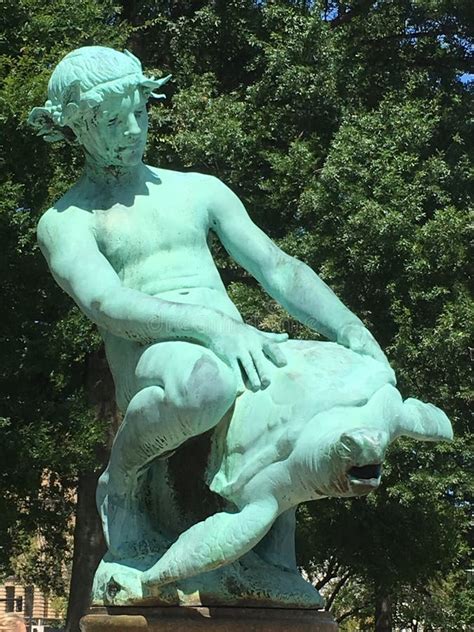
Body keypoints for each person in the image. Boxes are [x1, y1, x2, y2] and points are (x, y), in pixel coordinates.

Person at [29, 46, 389, 557]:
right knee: (209, 382)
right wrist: (215, 327)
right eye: (112, 120)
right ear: (76, 126)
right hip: (153, 355)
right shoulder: (66, 220)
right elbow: (107, 303)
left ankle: (272, 556)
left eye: (140, 112)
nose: (133, 129)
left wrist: (350, 330)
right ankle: (122, 477)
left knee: (327, 379)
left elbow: (278, 268)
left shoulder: (199, 190)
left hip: (233, 342)